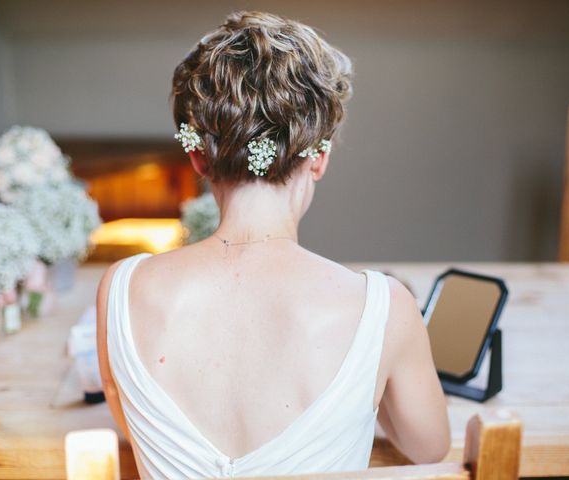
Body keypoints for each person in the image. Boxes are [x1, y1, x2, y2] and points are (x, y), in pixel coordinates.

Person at [96, 11, 450, 479]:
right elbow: (430, 449)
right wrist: (371, 380)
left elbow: (131, 430)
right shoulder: (384, 309)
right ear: (318, 158)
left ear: (198, 157)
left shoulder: (120, 289)